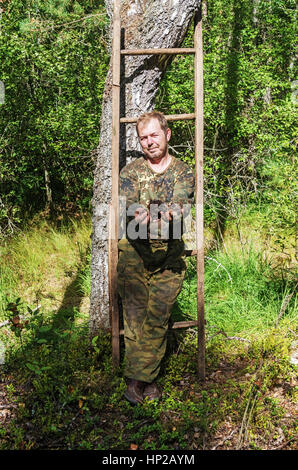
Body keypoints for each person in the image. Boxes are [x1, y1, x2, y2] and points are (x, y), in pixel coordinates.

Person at [117, 111, 195, 405]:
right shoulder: (130, 172)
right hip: (134, 255)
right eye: (143, 137)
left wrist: (153, 215)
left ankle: (136, 382)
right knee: (135, 319)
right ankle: (147, 384)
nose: (149, 142)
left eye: (154, 135)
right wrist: (153, 214)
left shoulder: (183, 172)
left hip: (169, 259)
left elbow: (179, 211)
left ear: (167, 135)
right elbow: (131, 215)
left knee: (157, 317)